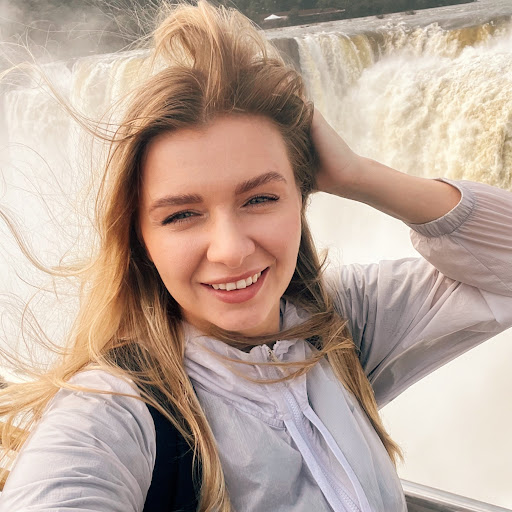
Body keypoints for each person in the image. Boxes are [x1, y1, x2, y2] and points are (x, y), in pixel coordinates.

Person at [0, 2, 511, 511]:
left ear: (301, 199)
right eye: (182, 215)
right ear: (140, 240)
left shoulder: (341, 324)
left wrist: (358, 174)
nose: (231, 250)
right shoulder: (113, 411)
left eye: (260, 198)